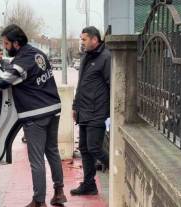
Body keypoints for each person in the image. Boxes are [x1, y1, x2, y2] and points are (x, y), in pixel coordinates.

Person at [0, 24, 67, 207]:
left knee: (37, 159)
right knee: (52, 152)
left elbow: (2, 81)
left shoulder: (22, 62)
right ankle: (59, 192)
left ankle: (39, 201)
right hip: (53, 109)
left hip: (35, 114)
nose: (5, 47)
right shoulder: (38, 53)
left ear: (16, 43)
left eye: (6, 43)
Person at [70, 26, 111, 196]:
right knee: (84, 148)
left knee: (94, 147)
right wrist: (75, 106)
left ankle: (117, 167)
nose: (82, 42)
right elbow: (81, 85)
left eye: (84, 39)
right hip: (83, 110)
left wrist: (109, 112)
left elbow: (111, 85)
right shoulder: (86, 56)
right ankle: (89, 184)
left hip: (98, 111)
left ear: (95, 39)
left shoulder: (106, 57)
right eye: (81, 39)